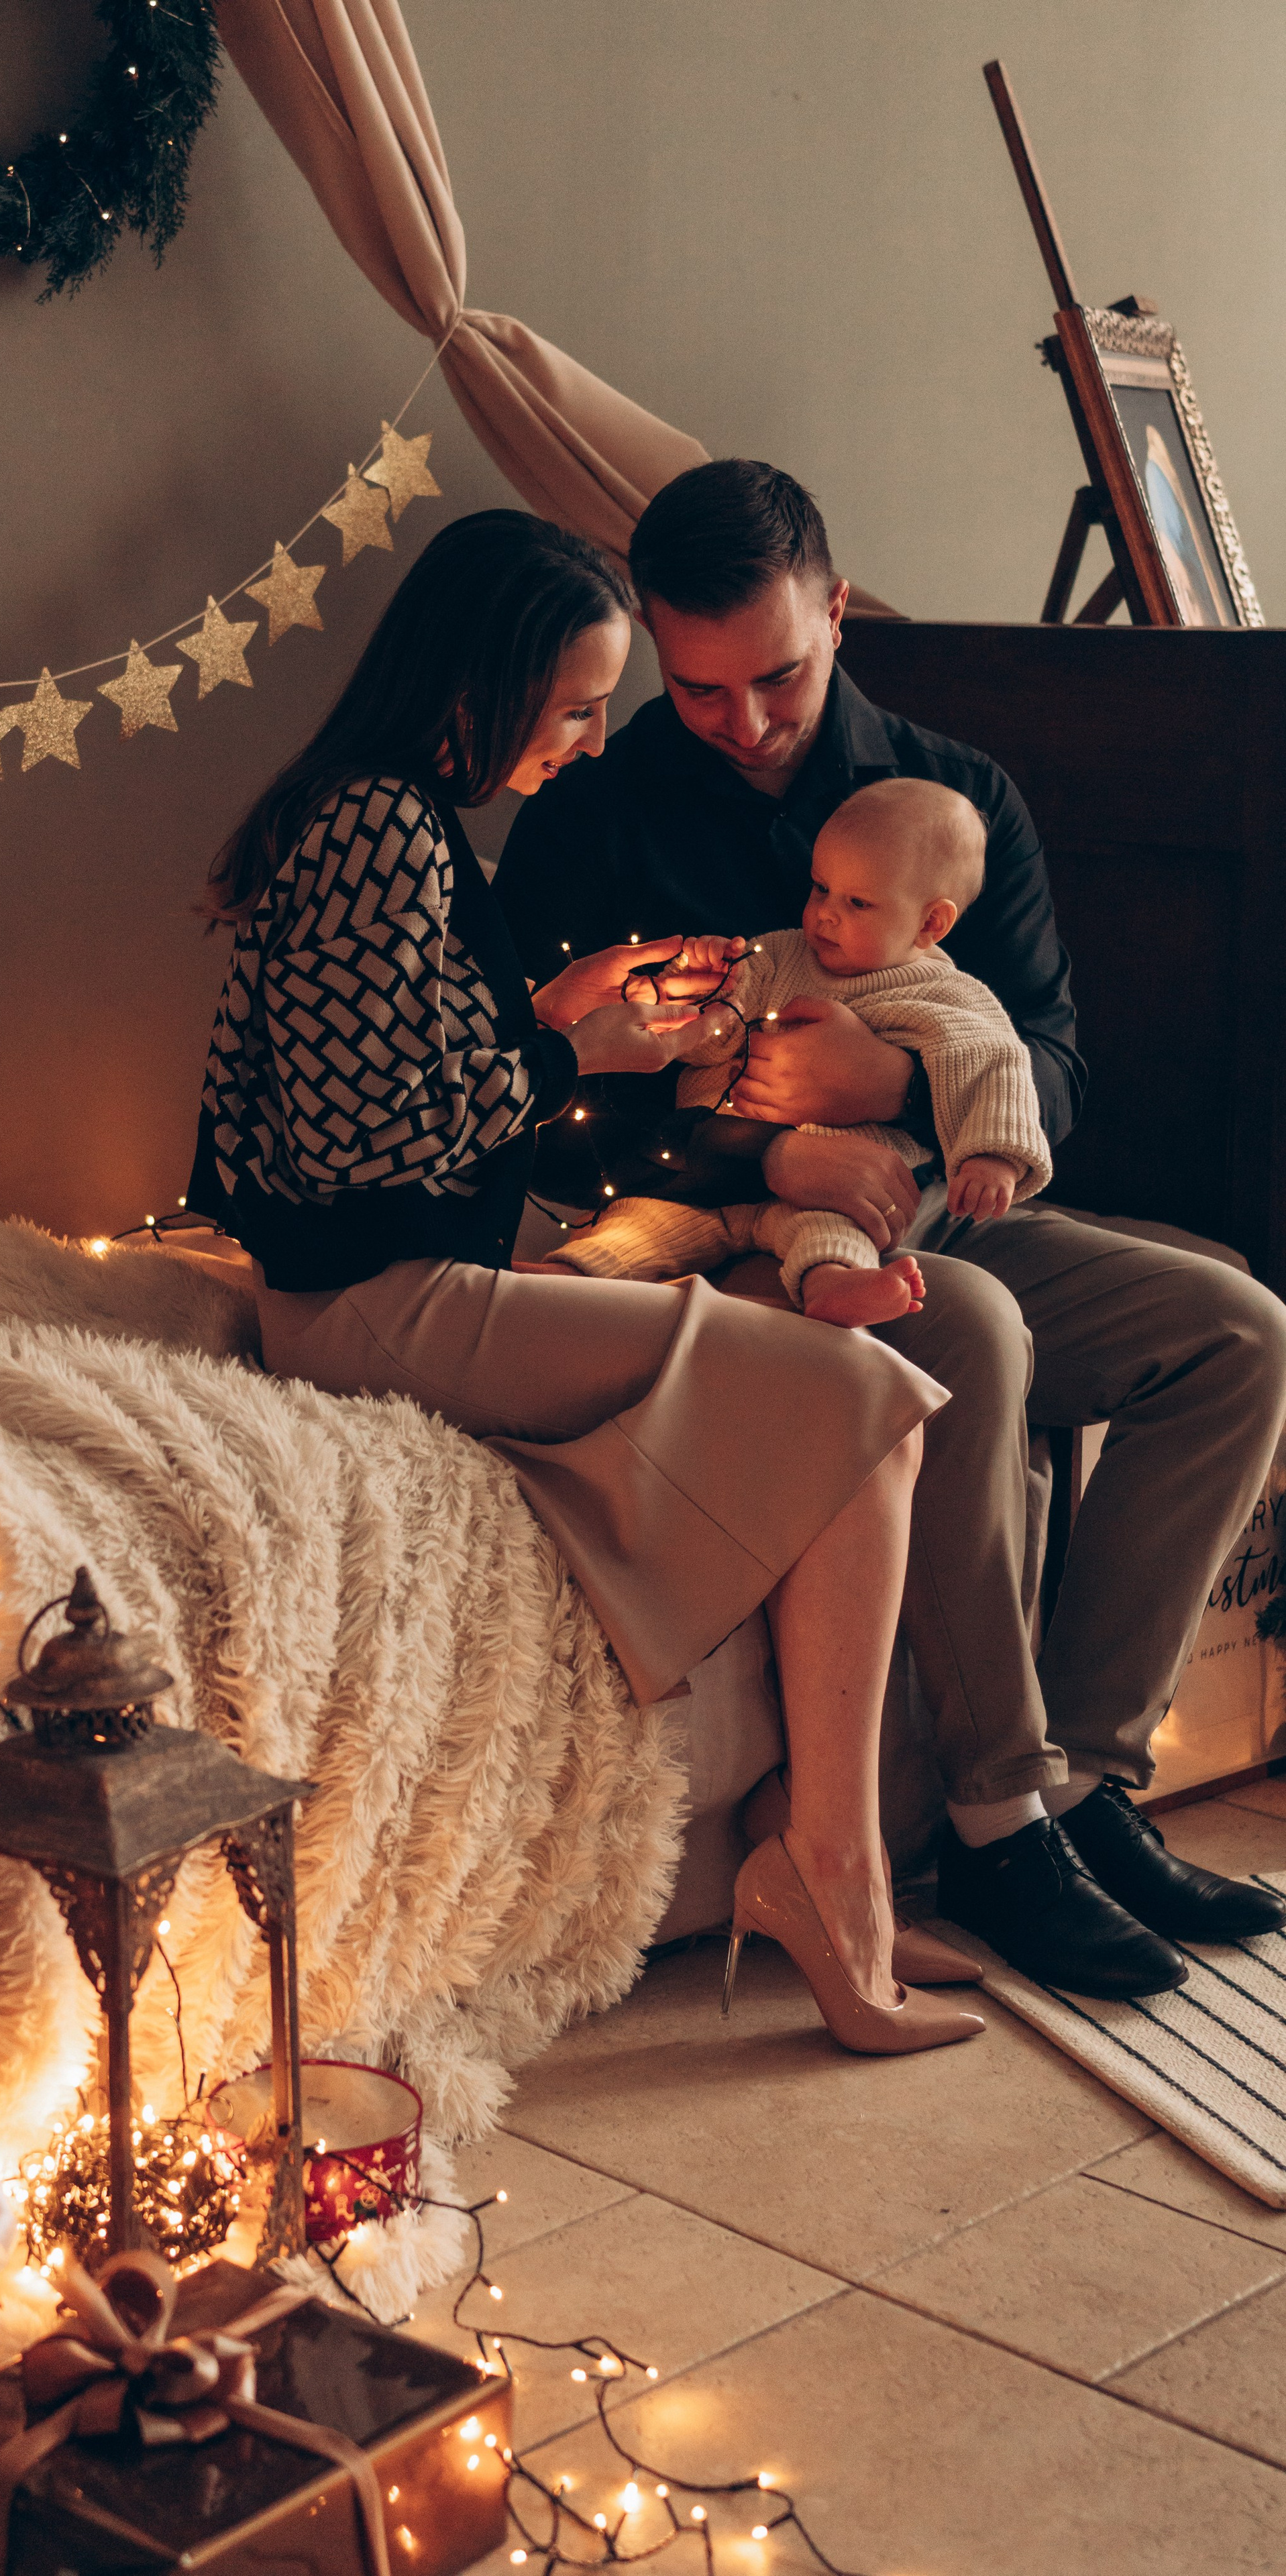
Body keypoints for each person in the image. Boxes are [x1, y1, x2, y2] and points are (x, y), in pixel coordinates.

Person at [187, 508, 981, 2058]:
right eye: (569, 705)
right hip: (373, 1294)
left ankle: (827, 1865)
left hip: (408, 1271)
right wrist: (574, 1050)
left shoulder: (392, 819)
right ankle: (829, 1871)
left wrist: (552, 1000)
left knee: (863, 1398)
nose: (584, 737)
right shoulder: (374, 828)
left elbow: (404, 1051)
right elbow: (368, 1142)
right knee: (864, 1399)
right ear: (480, 682)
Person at [496, 458, 1286, 1998]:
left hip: (940, 1208)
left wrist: (902, 1083)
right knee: (966, 1327)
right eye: (699, 685)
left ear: (835, 611)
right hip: (715, 1238)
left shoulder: (952, 798)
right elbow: (541, 1108)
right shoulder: (591, 819)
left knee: (1234, 1333)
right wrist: (775, 1144)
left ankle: (1082, 1782)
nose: (742, 719)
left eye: (775, 674)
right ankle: (996, 1826)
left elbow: (1051, 1066)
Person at [546, 775, 1050, 1327]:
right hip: (706, 1175)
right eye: (820, 889)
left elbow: (997, 1069)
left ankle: (834, 1286)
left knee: (835, 1233)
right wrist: (701, 986)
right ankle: (571, 1276)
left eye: (858, 902)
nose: (826, 914)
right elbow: (709, 1039)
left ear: (931, 923)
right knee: (636, 1224)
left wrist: (993, 1157)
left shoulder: (946, 998)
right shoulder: (781, 953)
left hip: (833, 1192)